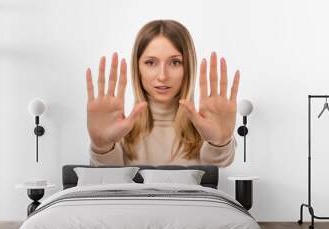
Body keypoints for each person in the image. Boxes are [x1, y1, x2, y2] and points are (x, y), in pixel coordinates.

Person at [85, 19, 240, 167]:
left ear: (188, 68)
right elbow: (108, 178)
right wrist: (102, 146)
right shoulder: (118, 131)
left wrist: (220, 142)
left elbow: (218, 163)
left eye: (175, 62)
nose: (162, 76)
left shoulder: (206, 128)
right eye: (151, 63)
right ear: (137, 68)